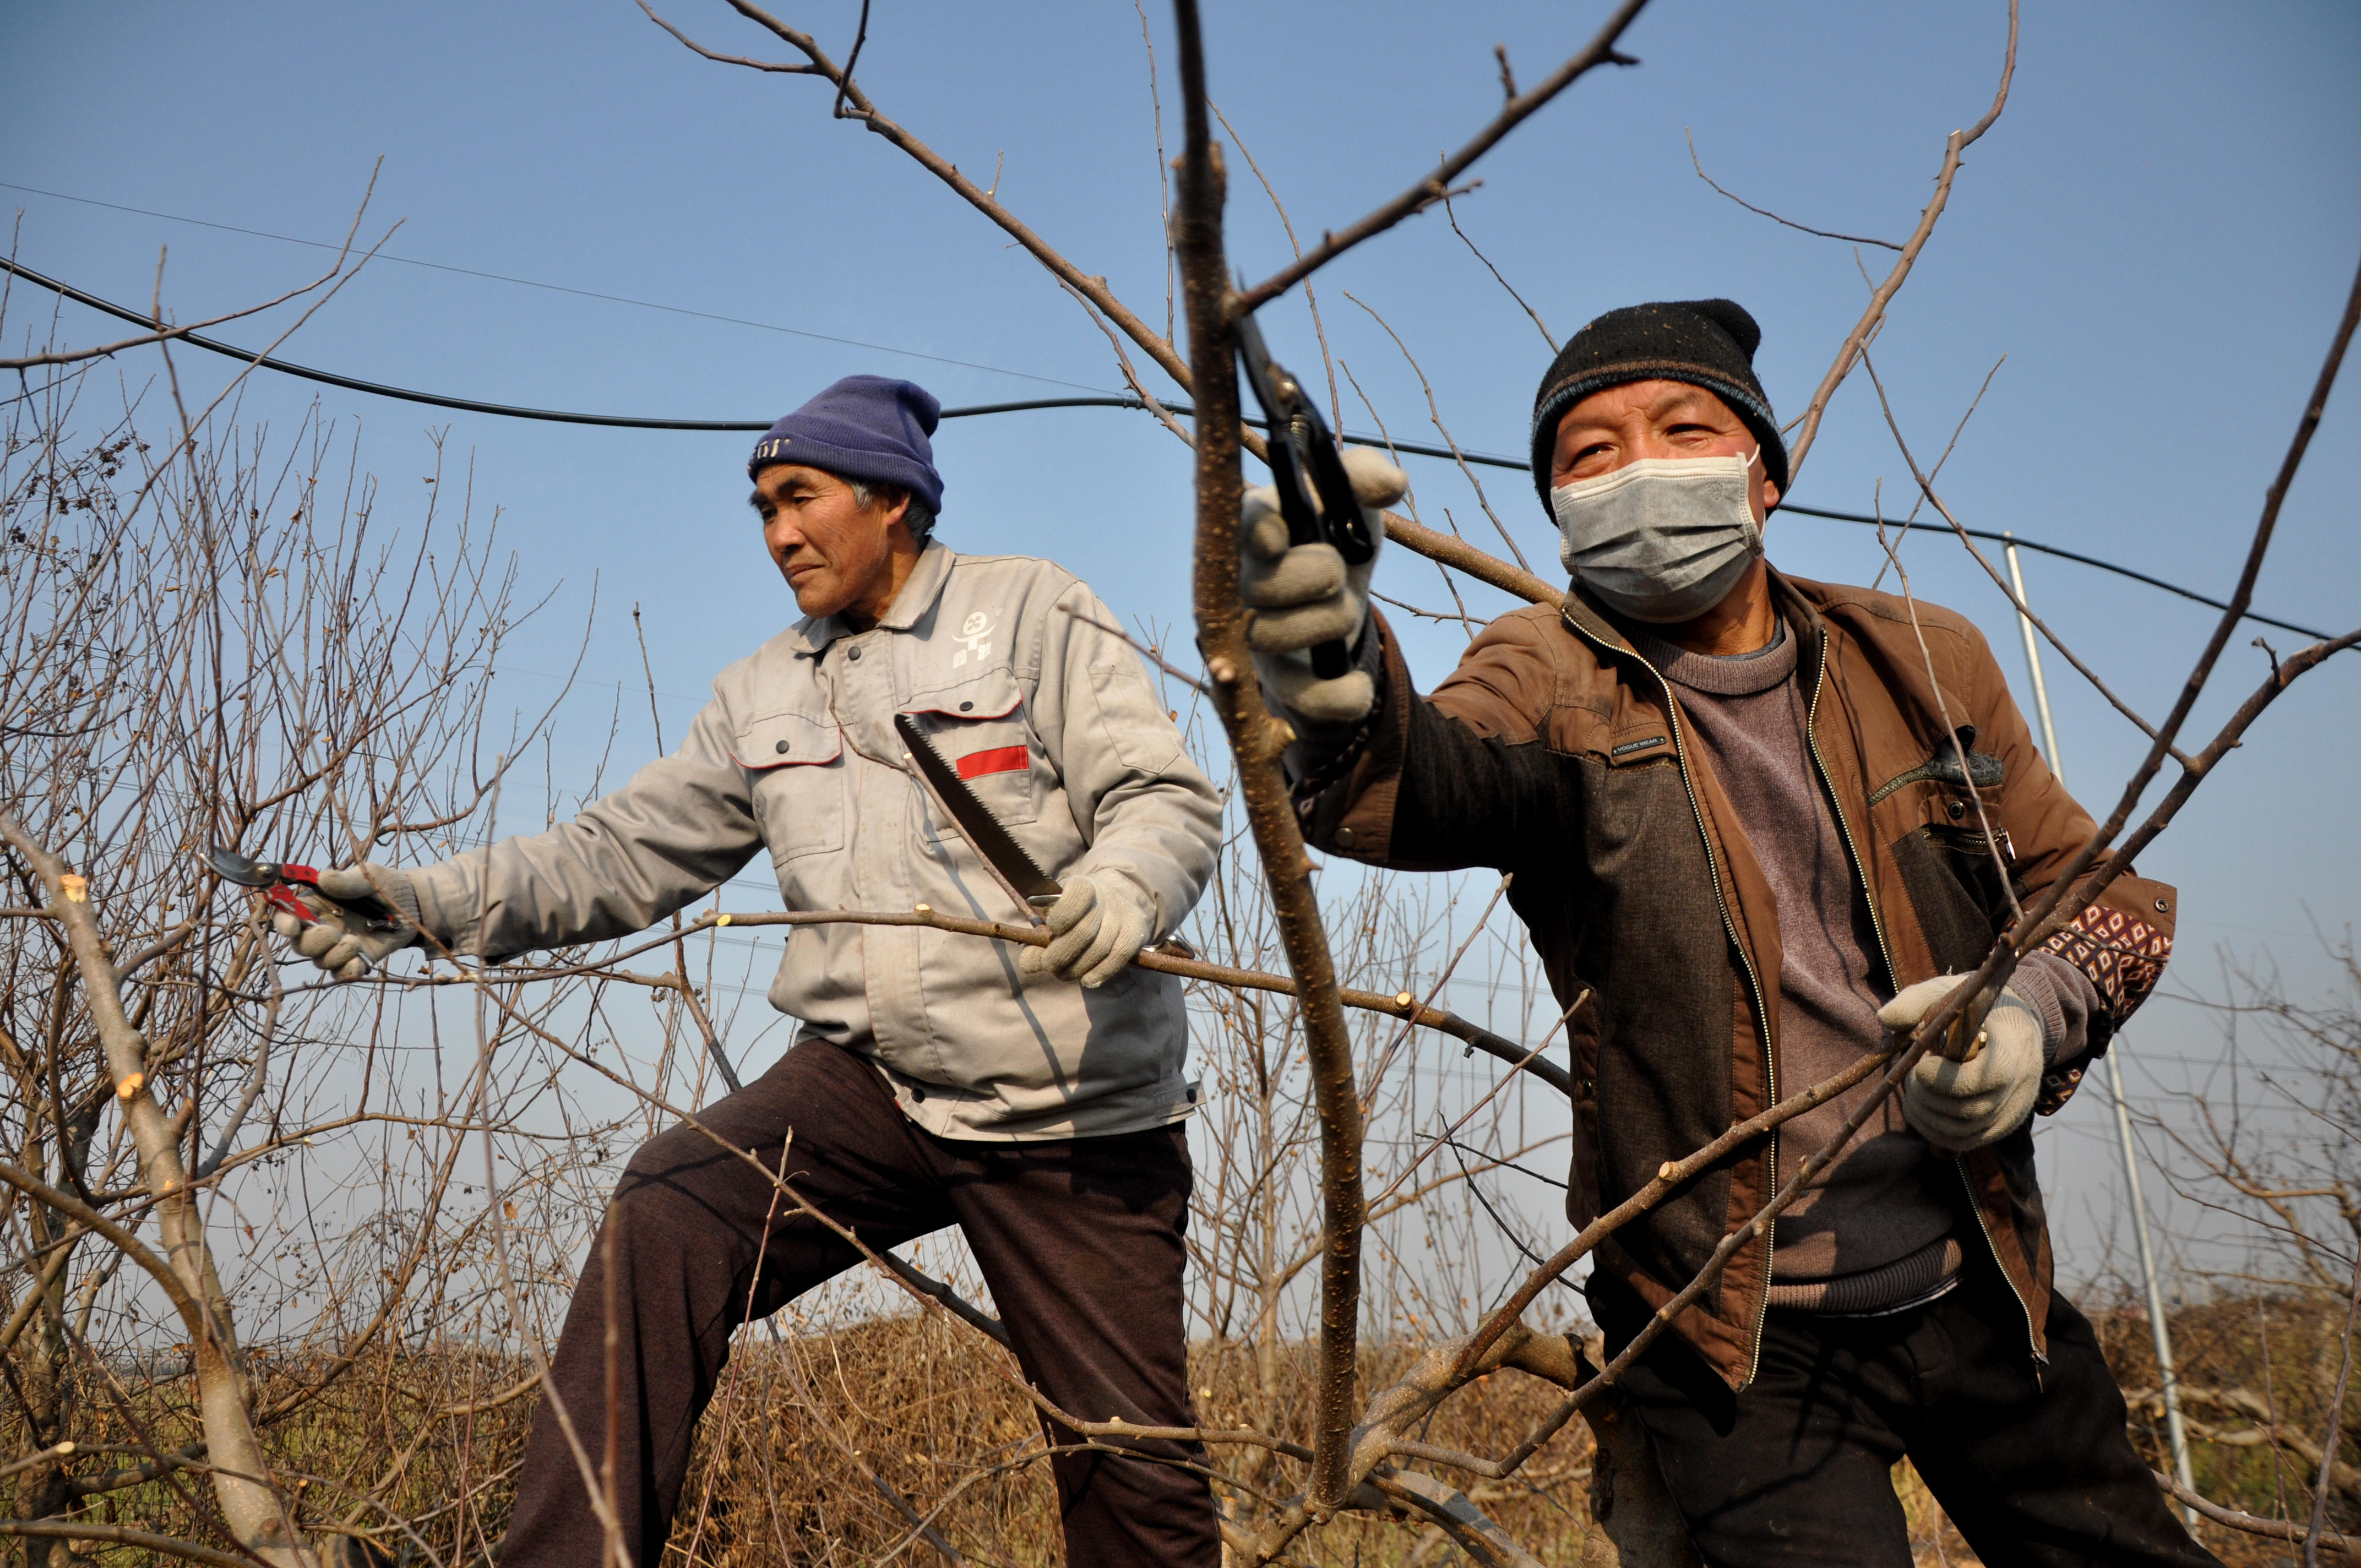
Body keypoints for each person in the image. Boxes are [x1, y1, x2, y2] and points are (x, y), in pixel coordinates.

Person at [1242, 301, 2216, 1566]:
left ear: (1760, 470)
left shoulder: (1920, 654)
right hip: (1728, 1326)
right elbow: (1427, 780)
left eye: (1678, 427)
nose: (1635, 466)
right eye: (1587, 454)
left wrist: (2030, 1015)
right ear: (1555, 507)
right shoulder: (1544, 668)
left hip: (1979, 1268)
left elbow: (2098, 894)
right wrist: (1336, 684)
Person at [276, 375, 1227, 1566]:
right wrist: (424, 905)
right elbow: (615, 852)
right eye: (761, 507)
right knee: (668, 1205)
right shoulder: (764, 689)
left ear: (893, 499)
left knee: (1128, 1469)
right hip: (870, 1084)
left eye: (800, 496)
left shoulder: (1032, 611)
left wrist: (1122, 888)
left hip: (1073, 1102)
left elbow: (1165, 797)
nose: (777, 532)